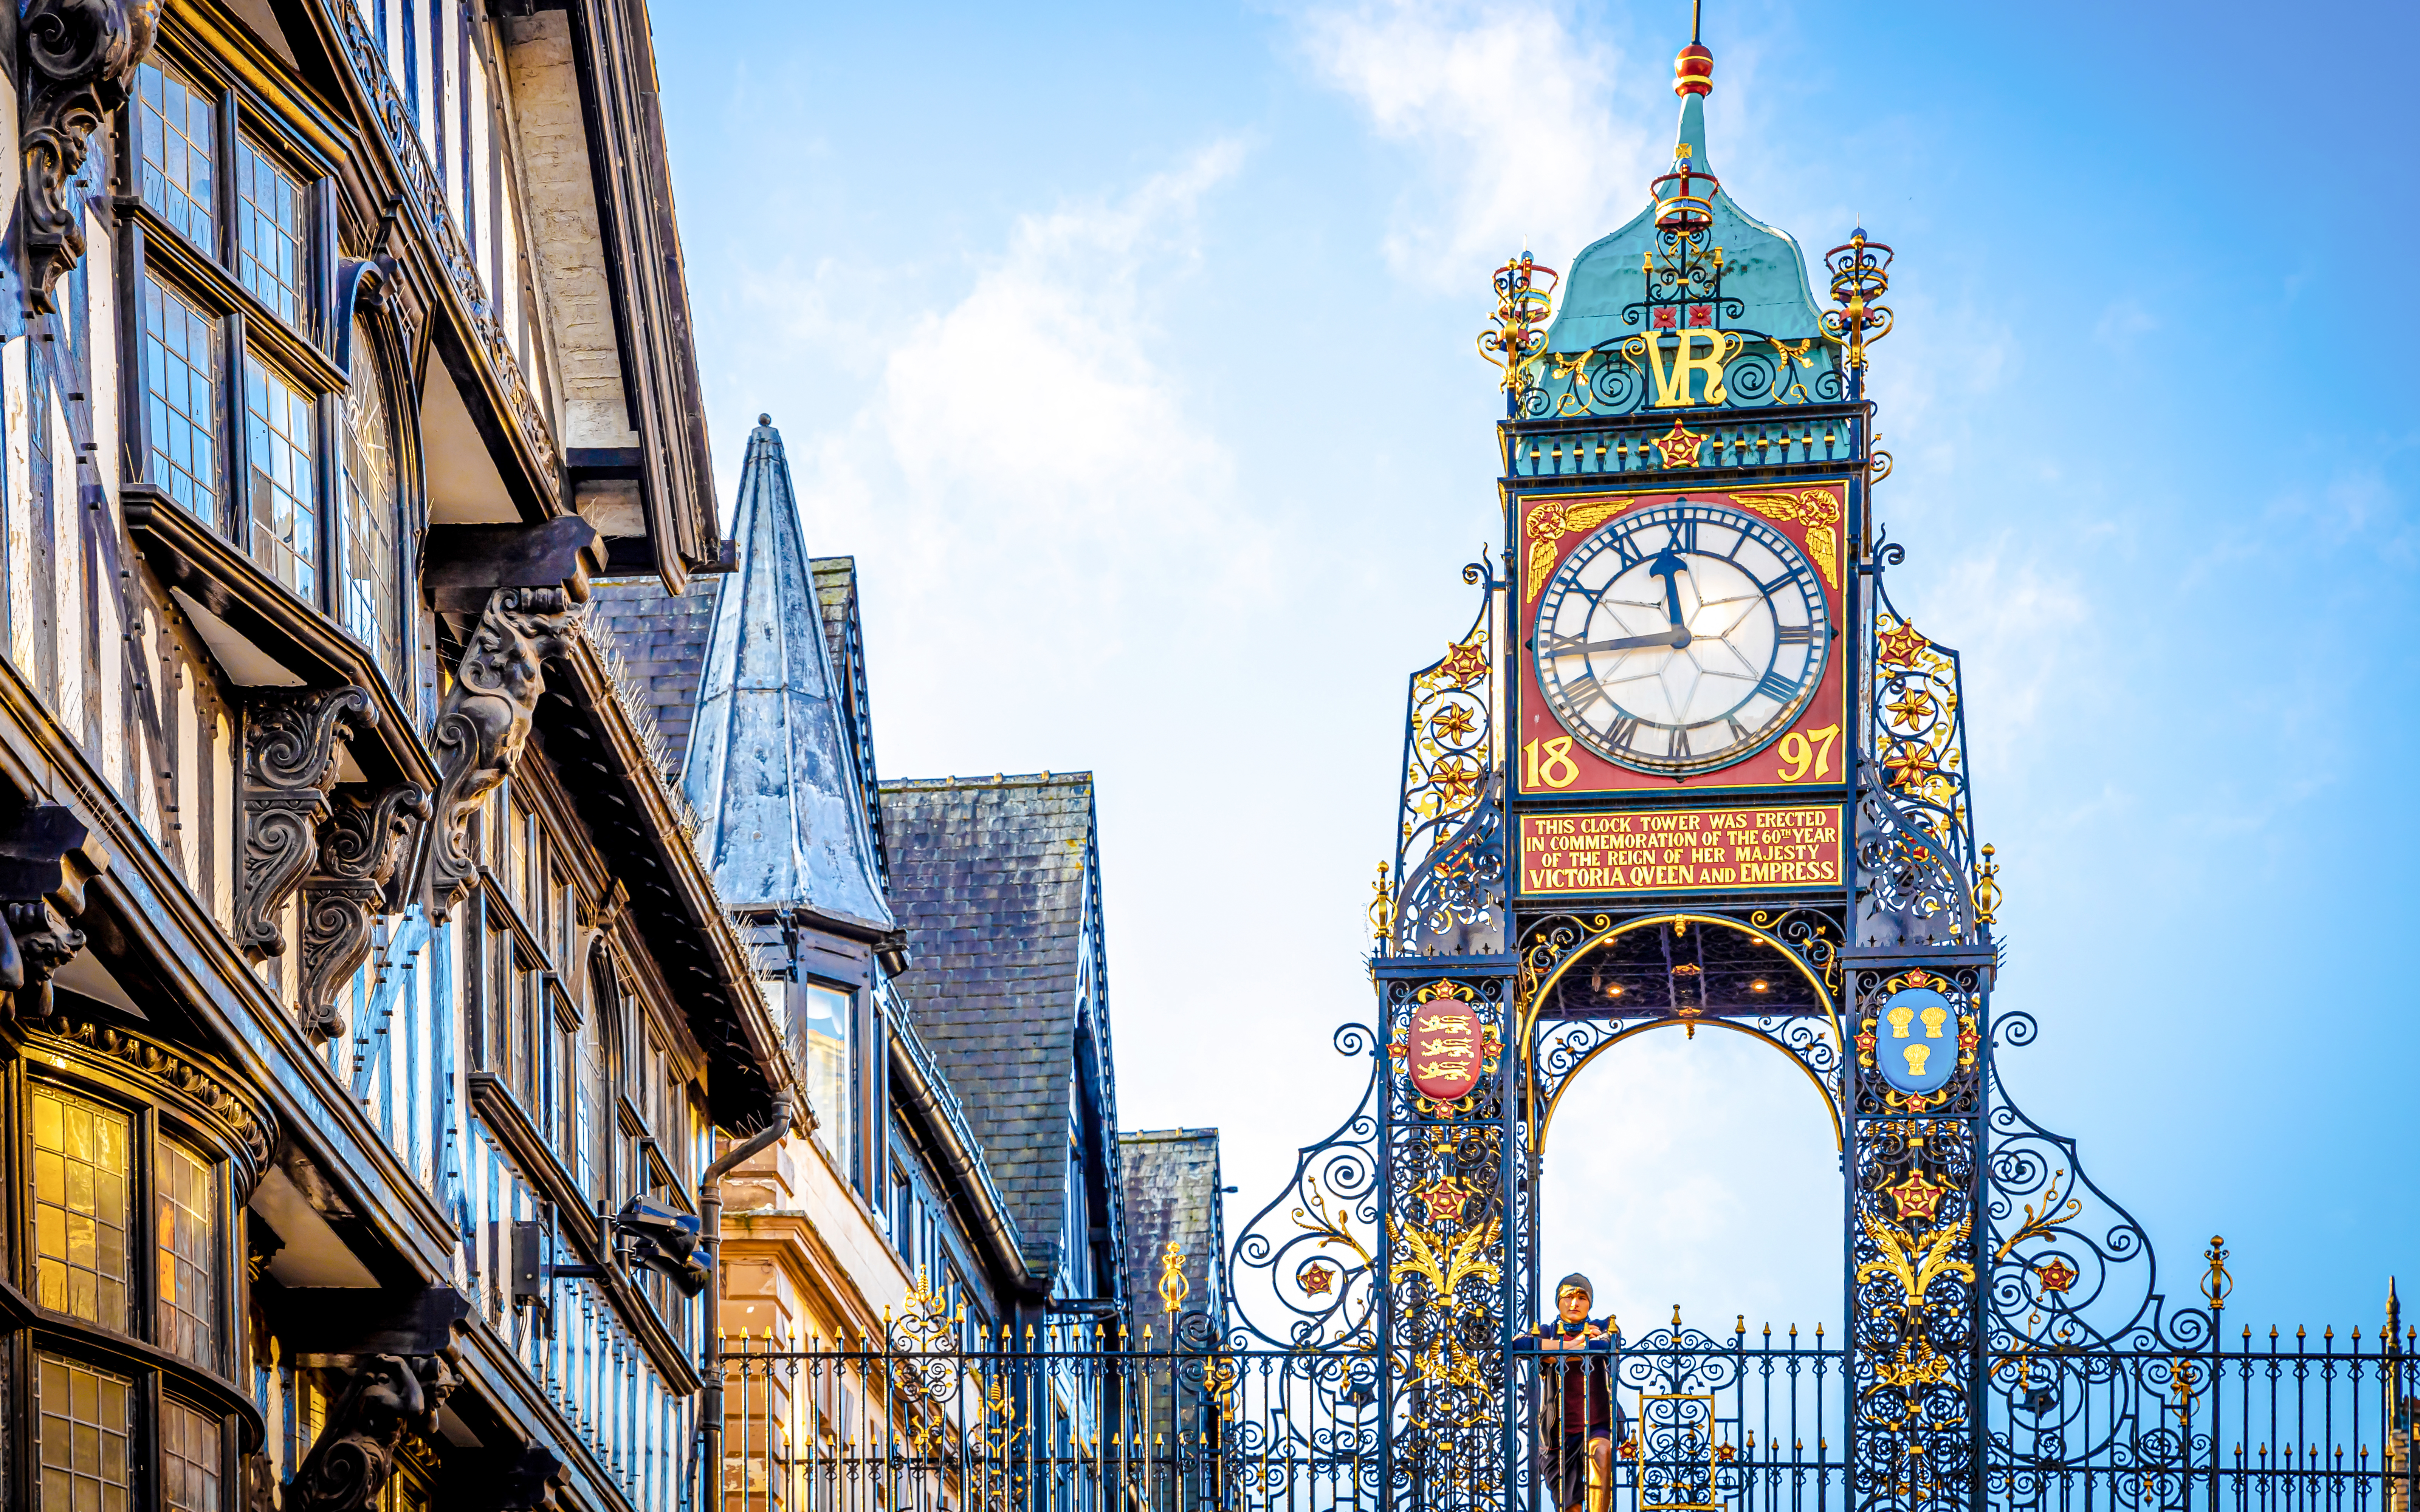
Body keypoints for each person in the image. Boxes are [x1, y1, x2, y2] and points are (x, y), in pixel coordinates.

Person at [1512, 1273, 1623, 1512]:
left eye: (1582, 1298)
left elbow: (1606, 1344)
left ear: (1589, 1303)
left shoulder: (1604, 1326)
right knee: (1570, 1506)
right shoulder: (1546, 1331)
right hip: (1557, 1434)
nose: (1575, 1303)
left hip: (1598, 1424)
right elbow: (1518, 1345)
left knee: (1600, 1454)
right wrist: (1572, 1345)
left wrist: (1554, 1353)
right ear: (1558, 1302)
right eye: (1569, 1297)